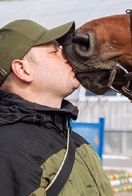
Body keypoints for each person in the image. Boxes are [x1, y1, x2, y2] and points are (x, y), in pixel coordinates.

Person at [0, 19, 114, 196]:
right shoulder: (10, 152)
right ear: (22, 70)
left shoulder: (77, 142)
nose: (68, 56)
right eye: (54, 51)